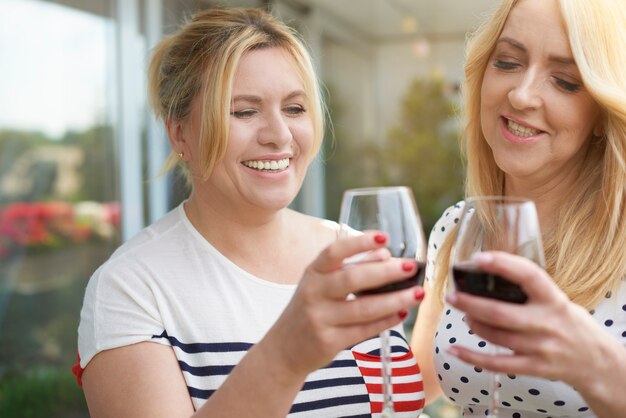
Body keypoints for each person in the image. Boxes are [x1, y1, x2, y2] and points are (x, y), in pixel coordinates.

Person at [74, 7, 426, 418]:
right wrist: (284, 357)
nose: (279, 135)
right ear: (179, 134)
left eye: (294, 109)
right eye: (244, 111)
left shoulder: (353, 252)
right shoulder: (131, 288)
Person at [411, 0, 626, 417]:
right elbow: (418, 380)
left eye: (565, 81)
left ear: (602, 111)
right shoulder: (459, 228)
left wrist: (596, 365)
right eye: (507, 62)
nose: (522, 95)